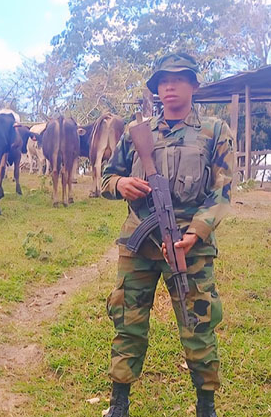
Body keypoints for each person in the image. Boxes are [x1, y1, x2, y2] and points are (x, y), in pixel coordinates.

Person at [100, 53, 234, 417]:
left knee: (198, 325)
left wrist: (196, 232)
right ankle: (119, 403)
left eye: (178, 79)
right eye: (163, 81)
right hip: (139, 244)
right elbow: (106, 177)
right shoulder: (135, 132)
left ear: (193, 85)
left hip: (189, 247)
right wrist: (121, 184)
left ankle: (206, 405)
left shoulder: (214, 131)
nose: (169, 86)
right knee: (127, 320)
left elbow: (222, 191)